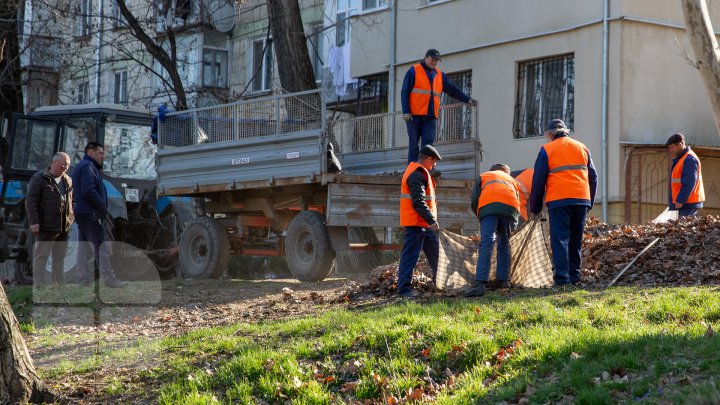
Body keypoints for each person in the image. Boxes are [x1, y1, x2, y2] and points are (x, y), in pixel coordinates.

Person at [529, 119, 597, 286]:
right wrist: (589, 202)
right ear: (565, 131)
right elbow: (593, 177)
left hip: (559, 199)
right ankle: (575, 277)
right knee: (575, 239)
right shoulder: (582, 148)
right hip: (581, 199)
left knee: (560, 239)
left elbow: (538, 181)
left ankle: (561, 279)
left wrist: (535, 207)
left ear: (551, 134)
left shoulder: (547, 149)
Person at [401, 49, 477, 170]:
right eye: (432, 59)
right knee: (414, 144)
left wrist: (467, 99)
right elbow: (405, 92)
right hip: (414, 115)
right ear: (426, 57)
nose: (434, 62)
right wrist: (406, 111)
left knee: (428, 145)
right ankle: (412, 170)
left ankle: (427, 169)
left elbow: (453, 90)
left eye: (436, 60)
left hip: (430, 116)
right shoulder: (413, 71)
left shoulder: (439, 75)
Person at [72, 142, 126, 288]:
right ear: (90, 152)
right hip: (90, 213)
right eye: (100, 153)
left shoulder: (84, 166)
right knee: (100, 246)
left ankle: (82, 279)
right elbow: (88, 191)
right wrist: (102, 206)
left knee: (83, 247)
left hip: (83, 212)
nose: (103, 156)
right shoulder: (87, 167)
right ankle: (108, 279)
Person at [465, 164, 521, 297]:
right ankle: (504, 281)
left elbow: (474, 199)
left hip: (488, 207)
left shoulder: (484, 176)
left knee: (487, 242)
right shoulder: (513, 181)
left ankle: (480, 283)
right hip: (510, 209)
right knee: (504, 242)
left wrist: (481, 215)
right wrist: (514, 222)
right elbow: (517, 203)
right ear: (506, 172)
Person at [397, 145, 443, 298]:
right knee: (410, 257)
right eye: (434, 161)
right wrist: (431, 220)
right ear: (428, 158)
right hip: (417, 224)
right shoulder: (417, 175)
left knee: (436, 255)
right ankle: (404, 290)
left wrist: (429, 222)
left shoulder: (419, 173)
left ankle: (441, 284)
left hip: (423, 224)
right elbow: (419, 202)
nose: (435, 165)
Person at [25, 152, 73, 287]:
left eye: (68, 165)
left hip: (63, 227)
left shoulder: (67, 180)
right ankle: (39, 285)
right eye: (63, 164)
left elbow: (71, 201)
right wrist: (34, 221)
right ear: (54, 163)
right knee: (41, 256)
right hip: (46, 226)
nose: (66, 167)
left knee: (60, 257)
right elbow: (31, 201)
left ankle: (59, 284)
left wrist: (71, 217)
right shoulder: (39, 178)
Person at [666, 133, 704, 217]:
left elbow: (690, 182)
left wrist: (680, 200)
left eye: (672, 147)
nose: (670, 150)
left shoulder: (689, 159)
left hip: (688, 203)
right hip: (686, 203)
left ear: (680, 144)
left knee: (684, 229)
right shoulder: (683, 158)